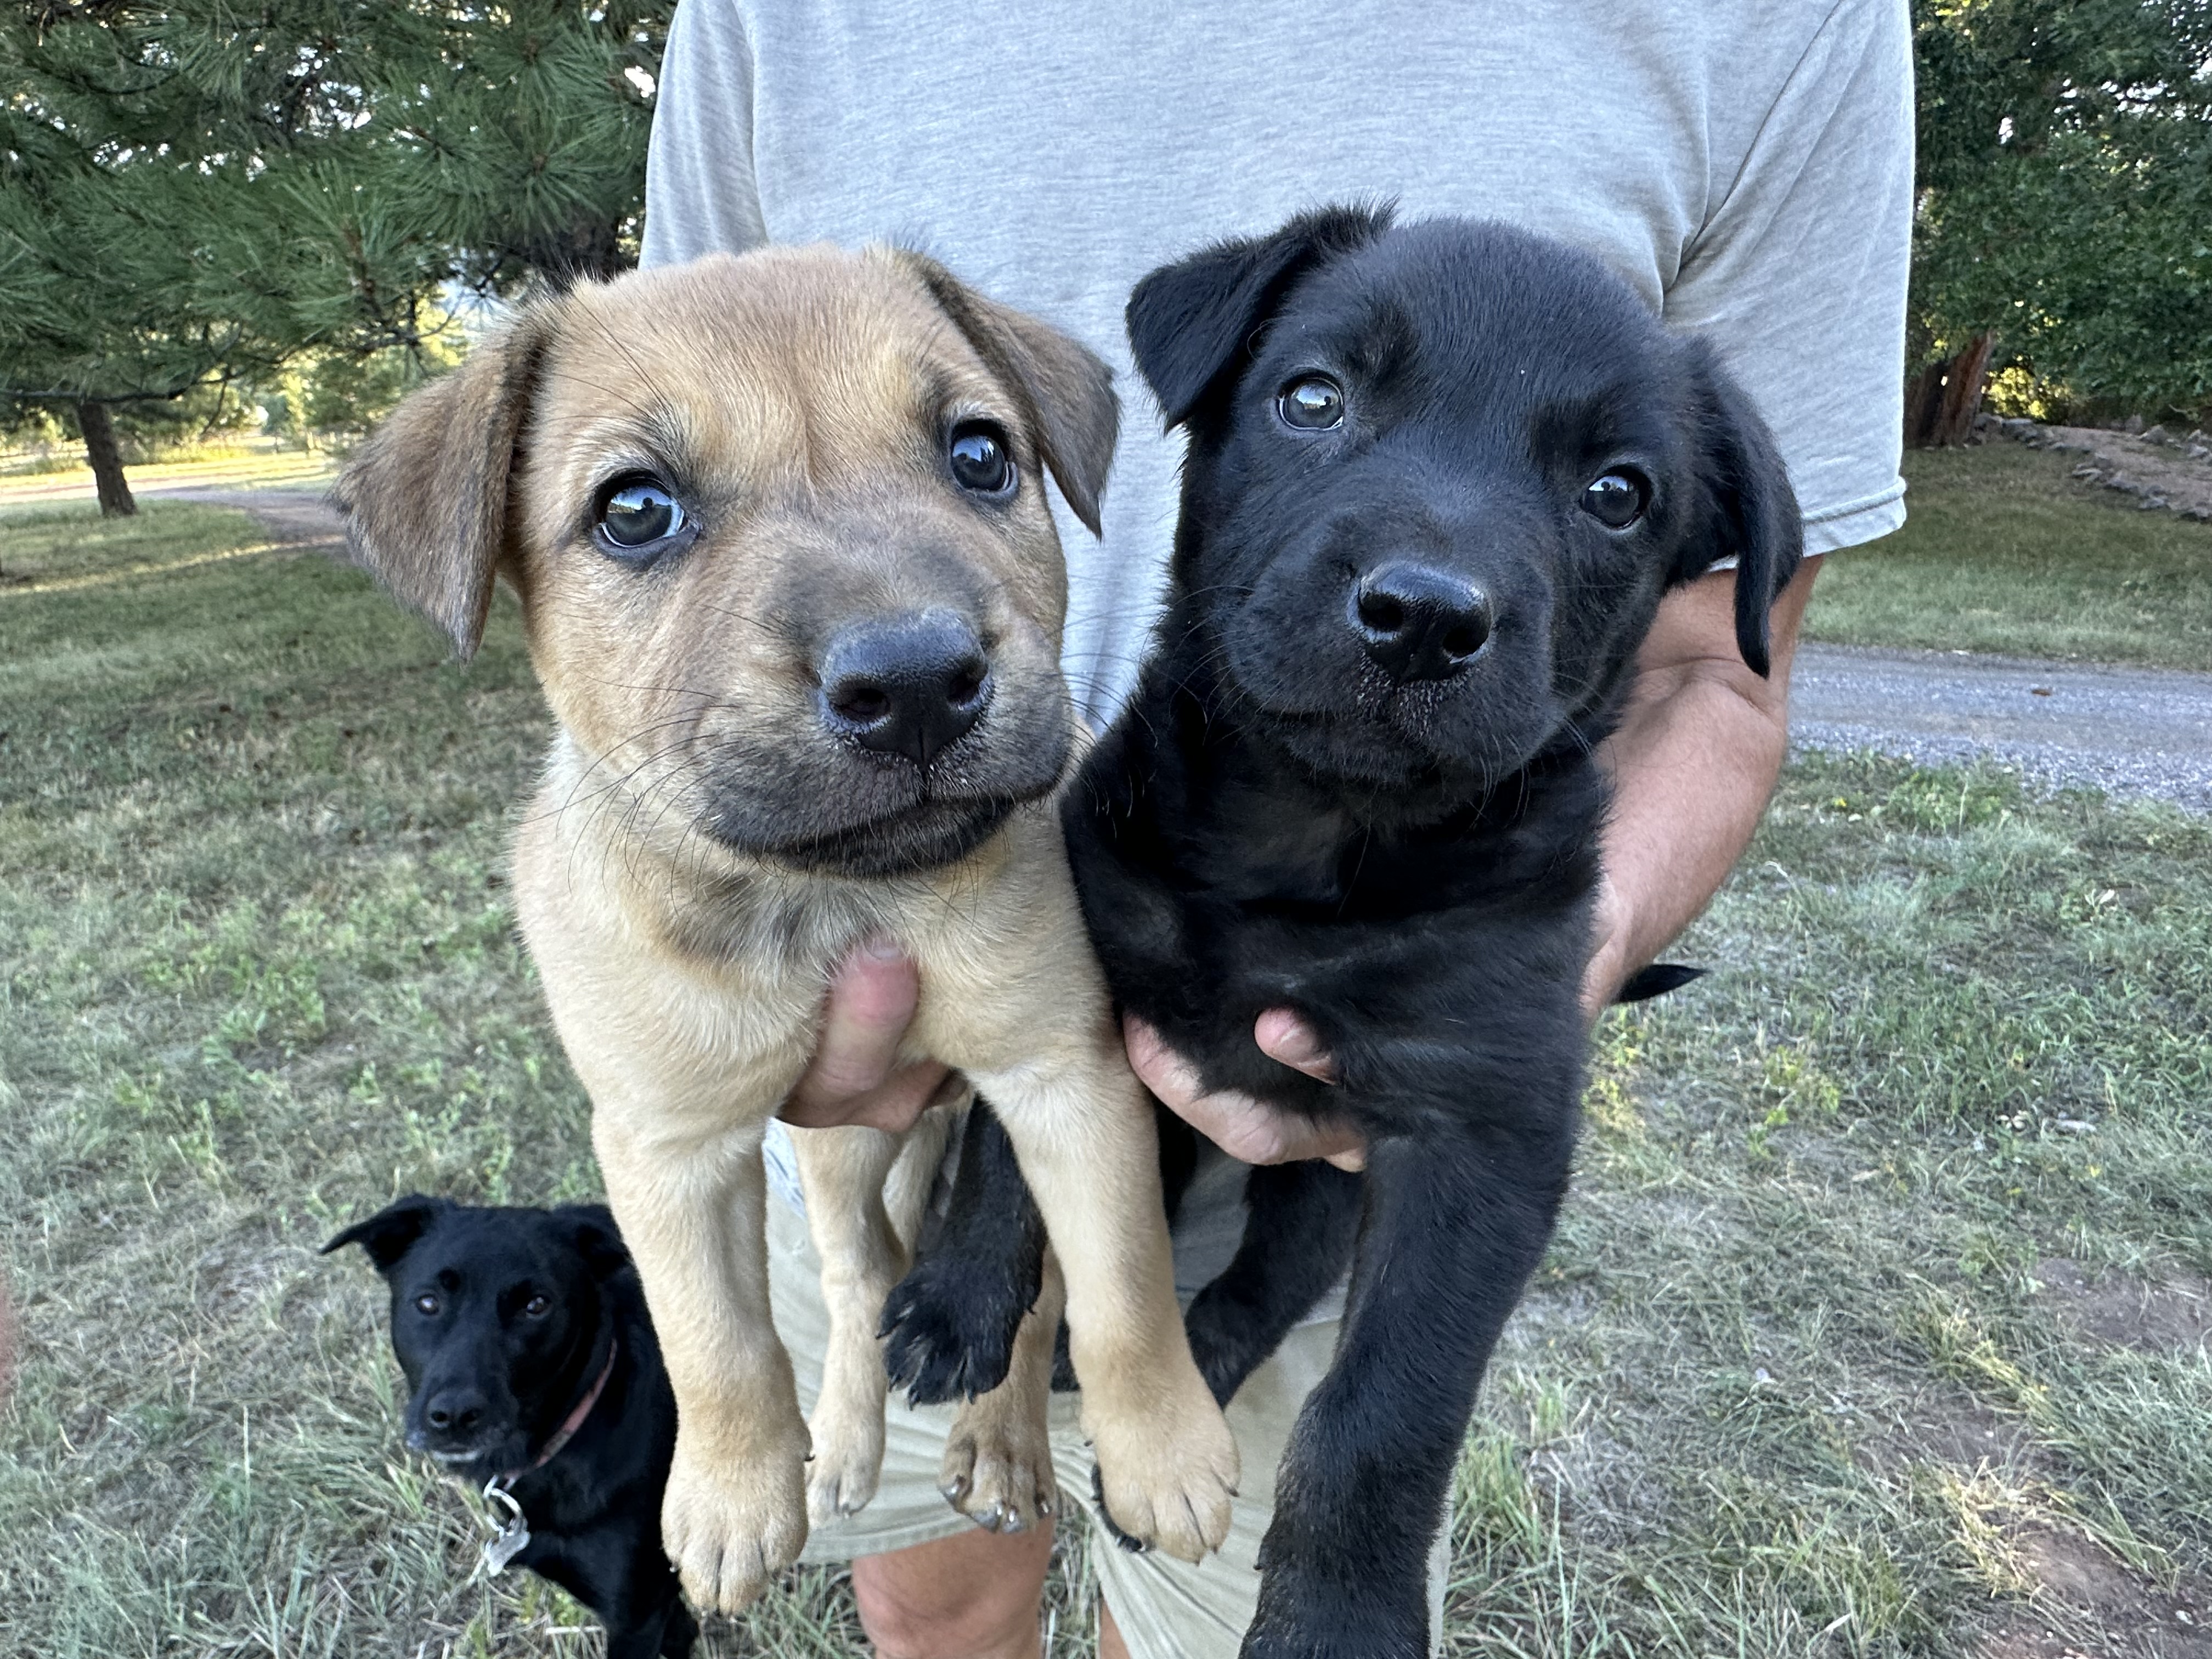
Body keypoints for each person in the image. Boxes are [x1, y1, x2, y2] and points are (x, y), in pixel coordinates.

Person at [638, 4, 1914, 1654]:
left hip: (1357, 1090)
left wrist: (1516, 1005)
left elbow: (1716, 691)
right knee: (936, 1568)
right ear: (1214, 401)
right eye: (1321, 396)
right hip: (901, 1022)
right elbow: (660, 524)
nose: (1436, 578)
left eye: (1609, 496)